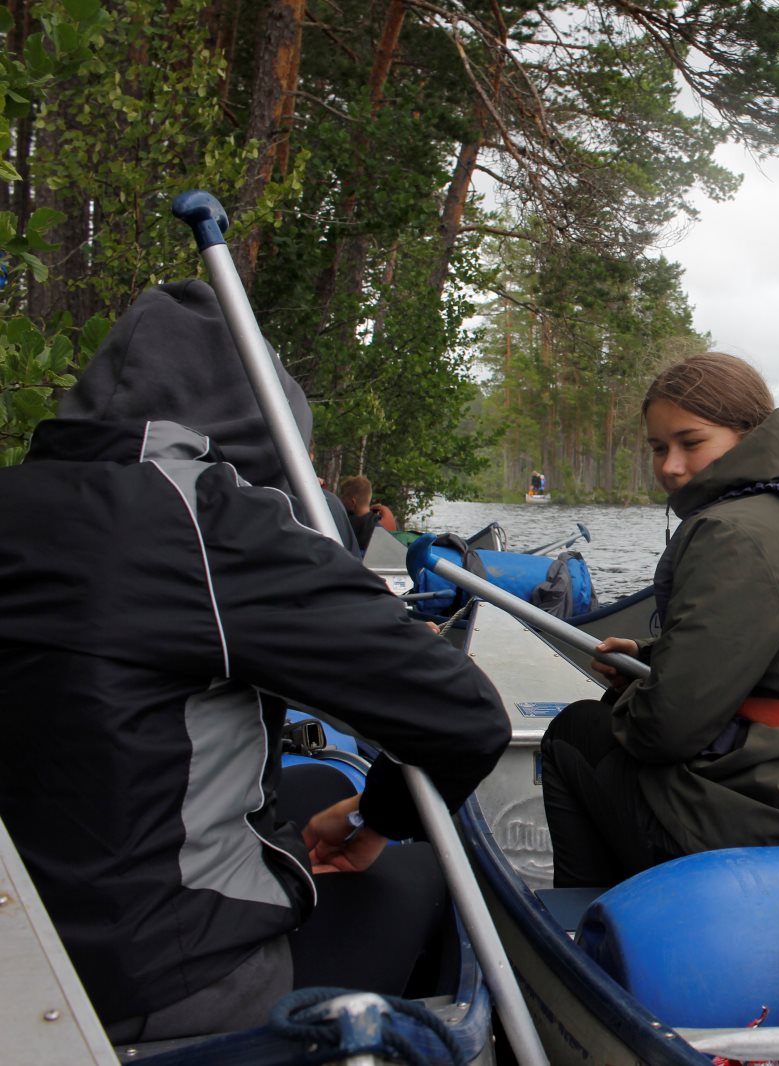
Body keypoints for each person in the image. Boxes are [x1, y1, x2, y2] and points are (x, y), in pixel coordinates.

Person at [0, 280, 511, 1041]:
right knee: (427, 869)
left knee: (311, 786)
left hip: (24, 956)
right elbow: (463, 716)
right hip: (162, 979)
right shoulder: (210, 521)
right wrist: (377, 818)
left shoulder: (19, 499)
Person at [539, 352, 779, 888]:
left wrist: (634, 697)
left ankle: (598, 918)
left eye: (691, 442)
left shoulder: (732, 532)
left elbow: (666, 731)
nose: (671, 466)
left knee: (577, 731)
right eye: (658, 447)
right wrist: (649, 660)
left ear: (749, 435)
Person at [337, 473, 399, 552]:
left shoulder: (345, 523)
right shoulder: (379, 525)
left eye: (343, 499)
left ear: (353, 502)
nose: (341, 502)